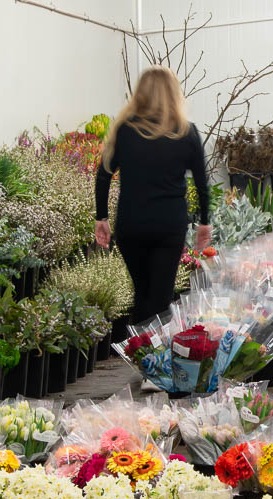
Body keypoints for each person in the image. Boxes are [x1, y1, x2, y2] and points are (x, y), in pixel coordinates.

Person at [94, 65, 211, 325]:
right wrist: (205, 221)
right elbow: (202, 183)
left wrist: (101, 217)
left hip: (132, 226)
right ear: (173, 93)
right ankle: (152, 356)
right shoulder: (186, 132)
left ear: (141, 94)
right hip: (168, 226)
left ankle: (141, 352)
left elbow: (103, 175)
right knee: (159, 298)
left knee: (143, 293)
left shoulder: (124, 130)